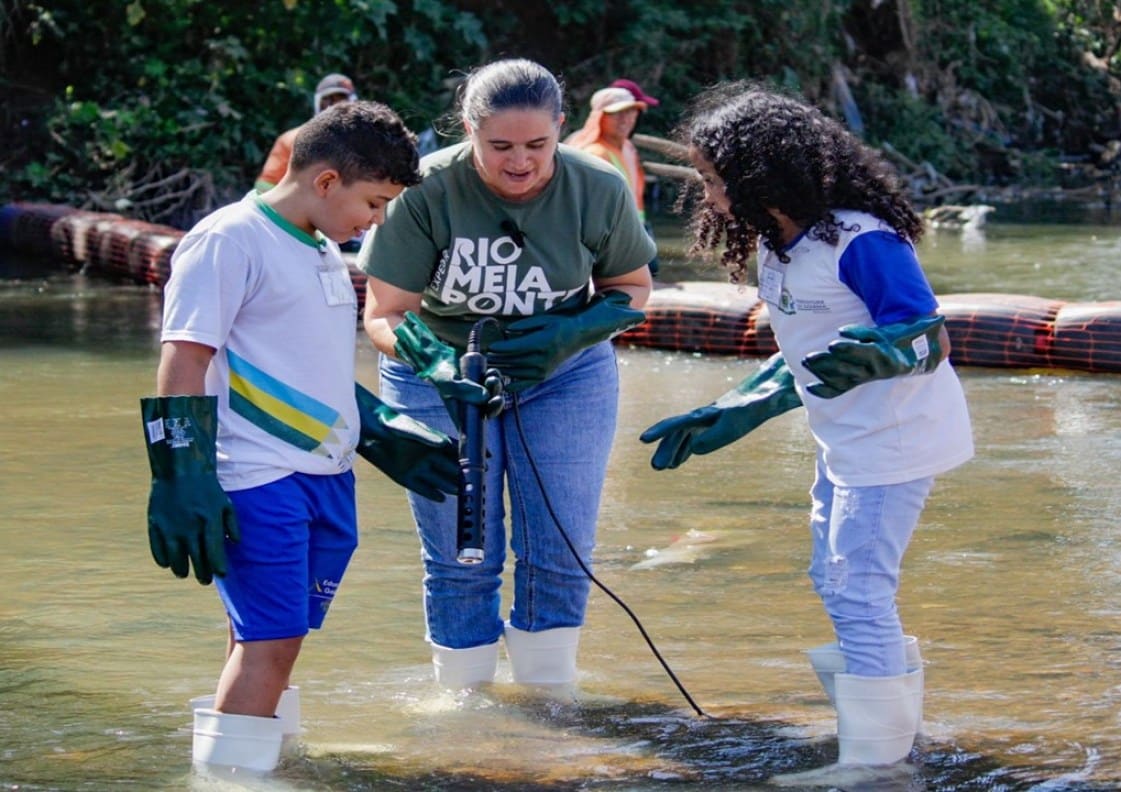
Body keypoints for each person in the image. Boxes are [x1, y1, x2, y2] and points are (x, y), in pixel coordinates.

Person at [639, 83, 973, 779]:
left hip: (895, 437)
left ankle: (875, 766)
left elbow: (928, 338)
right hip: (843, 438)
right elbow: (800, 356)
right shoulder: (778, 244)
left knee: (857, 588)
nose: (706, 192)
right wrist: (729, 411)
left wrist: (881, 354)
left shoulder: (860, 240)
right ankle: (894, 739)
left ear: (759, 172)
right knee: (833, 577)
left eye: (712, 177)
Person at [140, 100, 460, 774]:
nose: (374, 221)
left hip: (324, 475)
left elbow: (309, 368)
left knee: (268, 636)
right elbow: (185, 357)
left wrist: (380, 434)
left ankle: (257, 763)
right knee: (274, 638)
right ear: (324, 183)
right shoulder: (228, 239)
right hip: (257, 476)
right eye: (372, 204)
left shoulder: (319, 249)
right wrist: (180, 475)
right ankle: (231, 780)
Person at [358, 58, 655, 694]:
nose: (519, 162)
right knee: (463, 551)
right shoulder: (425, 190)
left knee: (561, 548)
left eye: (536, 146)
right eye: (499, 147)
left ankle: (548, 701)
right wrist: (431, 363)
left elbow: (631, 289)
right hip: (437, 375)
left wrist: (570, 332)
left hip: (565, 375)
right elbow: (383, 314)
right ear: (468, 129)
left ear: (561, 129)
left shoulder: (596, 186)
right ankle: (466, 705)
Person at [565, 83, 660, 276]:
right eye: (617, 113)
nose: (626, 119)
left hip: (634, 228)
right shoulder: (593, 153)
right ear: (600, 117)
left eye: (631, 112)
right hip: (611, 237)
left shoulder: (627, 148)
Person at [254, 73, 358, 193]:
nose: (334, 105)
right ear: (317, 102)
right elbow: (265, 186)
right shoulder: (293, 139)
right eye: (328, 99)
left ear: (353, 102)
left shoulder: (366, 142)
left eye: (341, 99)